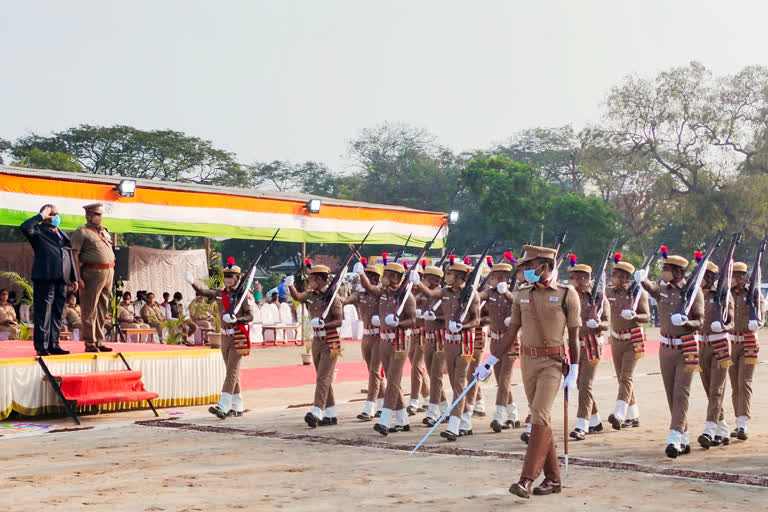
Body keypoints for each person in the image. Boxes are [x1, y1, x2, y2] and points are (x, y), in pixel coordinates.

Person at [474, 245, 581, 499]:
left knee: (540, 415)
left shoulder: (567, 295)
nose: (524, 272)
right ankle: (553, 479)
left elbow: (575, 337)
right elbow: (511, 334)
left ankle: (526, 479)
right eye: (523, 268)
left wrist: (574, 369)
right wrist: (489, 361)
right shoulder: (521, 295)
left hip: (553, 363)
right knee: (540, 418)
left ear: (545, 266)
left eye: (529, 267)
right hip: (528, 362)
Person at [636, 252, 704, 458]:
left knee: (680, 392)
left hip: (687, 346)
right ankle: (683, 437)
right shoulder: (663, 289)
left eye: (666, 269)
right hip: (665, 348)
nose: (663, 272)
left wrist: (685, 322)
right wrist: (642, 279)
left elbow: (699, 322)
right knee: (670, 393)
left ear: (677, 272)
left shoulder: (693, 292)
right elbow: (651, 288)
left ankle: (674, 437)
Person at [412, 256, 481, 441]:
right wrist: (417, 282)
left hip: (464, 342)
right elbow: (430, 294)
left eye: (450, 274)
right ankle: (466, 421)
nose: (447, 276)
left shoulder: (471, 294)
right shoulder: (446, 292)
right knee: (453, 382)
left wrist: (463, 326)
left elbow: (477, 320)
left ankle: (454, 424)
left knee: (459, 382)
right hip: (449, 342)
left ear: (459, 276)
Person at [186, 259, 254, 418]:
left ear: (237, 278)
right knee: (232, 371)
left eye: (230, 276)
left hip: (238, 336)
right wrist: (192, 283)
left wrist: (237, 320)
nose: (227, 279)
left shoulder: (243, 296)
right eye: (226, 276)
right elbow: (204, 292)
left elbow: (250, 315)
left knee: (231, 372)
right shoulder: (220, 294)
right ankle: (238, 406)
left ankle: (222, 405)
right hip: (225, 336)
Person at [358, 257, 417, 435]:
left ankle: (385, 420)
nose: (383, 277)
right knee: (393, 380)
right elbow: (368, 287)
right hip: (384, 340)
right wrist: (361, 273)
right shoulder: (383, 294)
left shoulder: (407, 297)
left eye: (387, 275)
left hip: (399, 342)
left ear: (396, 278)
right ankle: (402, 420)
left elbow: (413, 321)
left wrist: (398, 323)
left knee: (392, 380)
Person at [288, 260, 344, 428]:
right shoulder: (311, 295)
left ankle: (317, 411)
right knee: (323, 378)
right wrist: (290, 286)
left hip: (331, 340)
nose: (309, 281)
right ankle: (331, 414)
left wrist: (324, 324)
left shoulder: (333, 298)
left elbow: (339, 321)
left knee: (322, 378)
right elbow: (298, 297)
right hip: (317, 341)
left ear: (320, 280)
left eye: (312, 278)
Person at [20, 204, 79, 356]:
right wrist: (40, 216)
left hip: (62, 278)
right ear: (45, 215)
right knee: (43, 312)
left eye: (57, 214)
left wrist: (74, 277)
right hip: (45, 276)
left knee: (57, 312)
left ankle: (54, 344)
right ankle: (42, 346)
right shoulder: (38, 231)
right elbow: (25, 227)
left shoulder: (62, 233)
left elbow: (68, 255)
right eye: (52, 214)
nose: (56, 217)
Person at [477, 256, 521, 433]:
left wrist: (507, 294)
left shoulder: (516, 292)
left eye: (496, 276)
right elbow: (479, 299)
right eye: (492, 276)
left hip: (510, 341)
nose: (493, 279)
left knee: (504, 380)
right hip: (495, 341)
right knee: (501, 381)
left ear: (505, 278)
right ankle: (514, 415)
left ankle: (498, 415)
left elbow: (519, 305)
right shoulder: (491, 293)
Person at [605, 258, 650, 430]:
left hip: (633, 339)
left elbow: (646, 316)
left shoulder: (638, 293)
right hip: (616, 339)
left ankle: (619, 413)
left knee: (626, 377)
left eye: (616, 275)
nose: (612, 277)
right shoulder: (609, 292)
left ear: (625, 278)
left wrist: (634, 316)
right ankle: (633, 415)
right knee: (621, 378)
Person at [568, 260, 610, 440]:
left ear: (587, 278)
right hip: (576, 345)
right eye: (573, 276)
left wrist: (598, 324)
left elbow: (607, 322)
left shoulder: (598, 296)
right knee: (580, 384)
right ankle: (595, 420)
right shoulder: (570, 296)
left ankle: (581, 424)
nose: (573, 280)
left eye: (577, 277)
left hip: (593, 344)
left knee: (585, 384)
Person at [342, 261, 386, 421]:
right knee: (373, 372)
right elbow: (345, 300)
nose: (363, 280)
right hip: (366, 336)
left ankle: (370, 407)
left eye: (367, 277)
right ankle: (382, 404)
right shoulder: (361, 294)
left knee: (375, 371)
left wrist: (361, 274)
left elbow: (371, 289)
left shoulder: (380, 292)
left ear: (374, 279)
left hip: (379, 336)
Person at [697, 261, 733, 448]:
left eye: (702, 275)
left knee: (716, 390)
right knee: (708, 389)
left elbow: (731, 322)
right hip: (702, 345)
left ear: (710, 277)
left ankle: (709, 430)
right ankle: (723, 428)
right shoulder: (696, 295)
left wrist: (723, 326)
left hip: (720, 344)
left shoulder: (723, 296)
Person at [70, 203, 115, 353]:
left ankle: (100, 340)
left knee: (103, 308)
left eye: (101, 214)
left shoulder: (104, 232)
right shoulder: (81, 232)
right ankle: (90, 342)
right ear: (88, 215)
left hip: (108, 271)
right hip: (91, 272)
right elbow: (74, 255)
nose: (100, 217)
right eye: (97, 214)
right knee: (89, 309)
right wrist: (77, 277)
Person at [728, 261, 765, 441]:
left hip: (749, 342)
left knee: (745, 382)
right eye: (735, 275)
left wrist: (757, 323)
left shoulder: (754, 293)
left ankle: (743, 424)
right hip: (731, 343)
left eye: (740, 275)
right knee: (735, 384)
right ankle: (738, 420)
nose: (738, 278)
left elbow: (762, 316)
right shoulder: (725, 294)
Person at [418, 265, 449, 426]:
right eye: (427, 278)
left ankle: (433, 412)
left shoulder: (443, 295)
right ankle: (445, 410)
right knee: (432, 376)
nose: (430, 282)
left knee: (436, 376)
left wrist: (436, 316)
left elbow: (450, 315)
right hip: (428, 338)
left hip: (440, 338)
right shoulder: (422, 295)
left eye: (433, 279)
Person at [407, 262, 430, 415]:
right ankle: (428, 397)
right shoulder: (408, 293)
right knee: (418, 369)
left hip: (424, 333)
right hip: (412, 333)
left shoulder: (427, 293)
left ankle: (413, 401)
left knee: (417, 368)